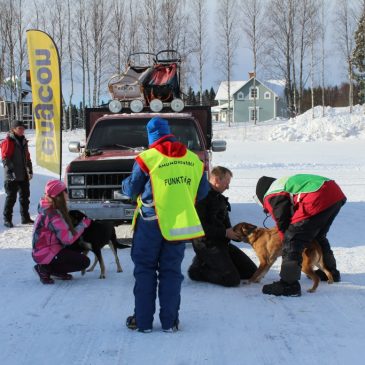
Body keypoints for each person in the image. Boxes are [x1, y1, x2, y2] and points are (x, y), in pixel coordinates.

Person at [122, 116, 209, 333]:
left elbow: (132, 189)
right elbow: (203, 191)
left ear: (151, 136)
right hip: (178, 225)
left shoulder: (147, 158)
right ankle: (170, 322)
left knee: (145, 271)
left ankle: (143, 323)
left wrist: (126, 186)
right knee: (171, 273)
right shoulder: (193, 160)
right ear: (169, 132)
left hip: (150, 223)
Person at [255, 174, 346, 297]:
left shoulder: (270, 195)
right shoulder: (282, 184)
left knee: (292, 238)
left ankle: (288, 284)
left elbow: (282, 221)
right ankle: (330, 272)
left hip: (318, 195)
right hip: (335, 193)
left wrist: (286, 241)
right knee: (318, 236)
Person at [188, 166, 257, 287]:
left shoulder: (219, 198)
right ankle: (197, 270)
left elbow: (227, 226)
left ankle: (212, 263)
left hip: (222, 243)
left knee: (251, 272)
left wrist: (237, 234)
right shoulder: (201, 197)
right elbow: (200, 227)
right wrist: (225, 233)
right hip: (206, 244)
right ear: (217, 180)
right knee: (231, 279)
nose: (228, 186)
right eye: (227, 182)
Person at [32, 179, 92, 284]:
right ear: (58, 195)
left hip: (46, 249)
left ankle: (55, 269)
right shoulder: (53, 215)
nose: (67, 193)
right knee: (84, 262)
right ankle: (45, 269)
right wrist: (83, 224)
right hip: (46, 253)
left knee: (80, 246)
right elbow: (67, 239)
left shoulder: (48, 207)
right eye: (65, 190)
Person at [1, 120, 33, 228]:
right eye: (19, 128)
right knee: (11, 198)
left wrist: (30, 169)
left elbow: (27, 157)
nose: (22, 130)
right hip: (12, 175)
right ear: (13, 129)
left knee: (25, 197)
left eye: (23, 128)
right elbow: (5, 158)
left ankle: (25, 218)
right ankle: (7, 219)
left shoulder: (24, 141)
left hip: (23, 174)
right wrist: (10, 171)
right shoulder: (8, 141)